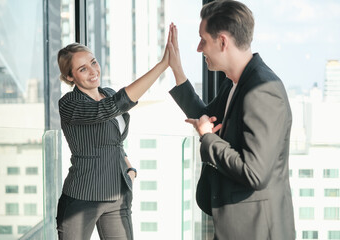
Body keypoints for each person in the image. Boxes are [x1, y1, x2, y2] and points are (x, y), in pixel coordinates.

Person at [167, 1, 295, 239]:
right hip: (235, 226)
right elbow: (205, 117)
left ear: (223, 41)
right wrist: (177, 70)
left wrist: (207, 137)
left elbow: (255, 173)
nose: (198, 48)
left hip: (256, 231)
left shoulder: (262, 90)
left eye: (203, 39)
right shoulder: (236, 82)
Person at [56, 39, 169, 239]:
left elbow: (115, 140)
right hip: (82, 198)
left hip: (117, 194)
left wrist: (129, 170)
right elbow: (110, 108)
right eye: (83, 69)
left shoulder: (107, 93)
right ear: (69, 76)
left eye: (93, 62)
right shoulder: (69, 104)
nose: (93, 71)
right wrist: (161, 67)